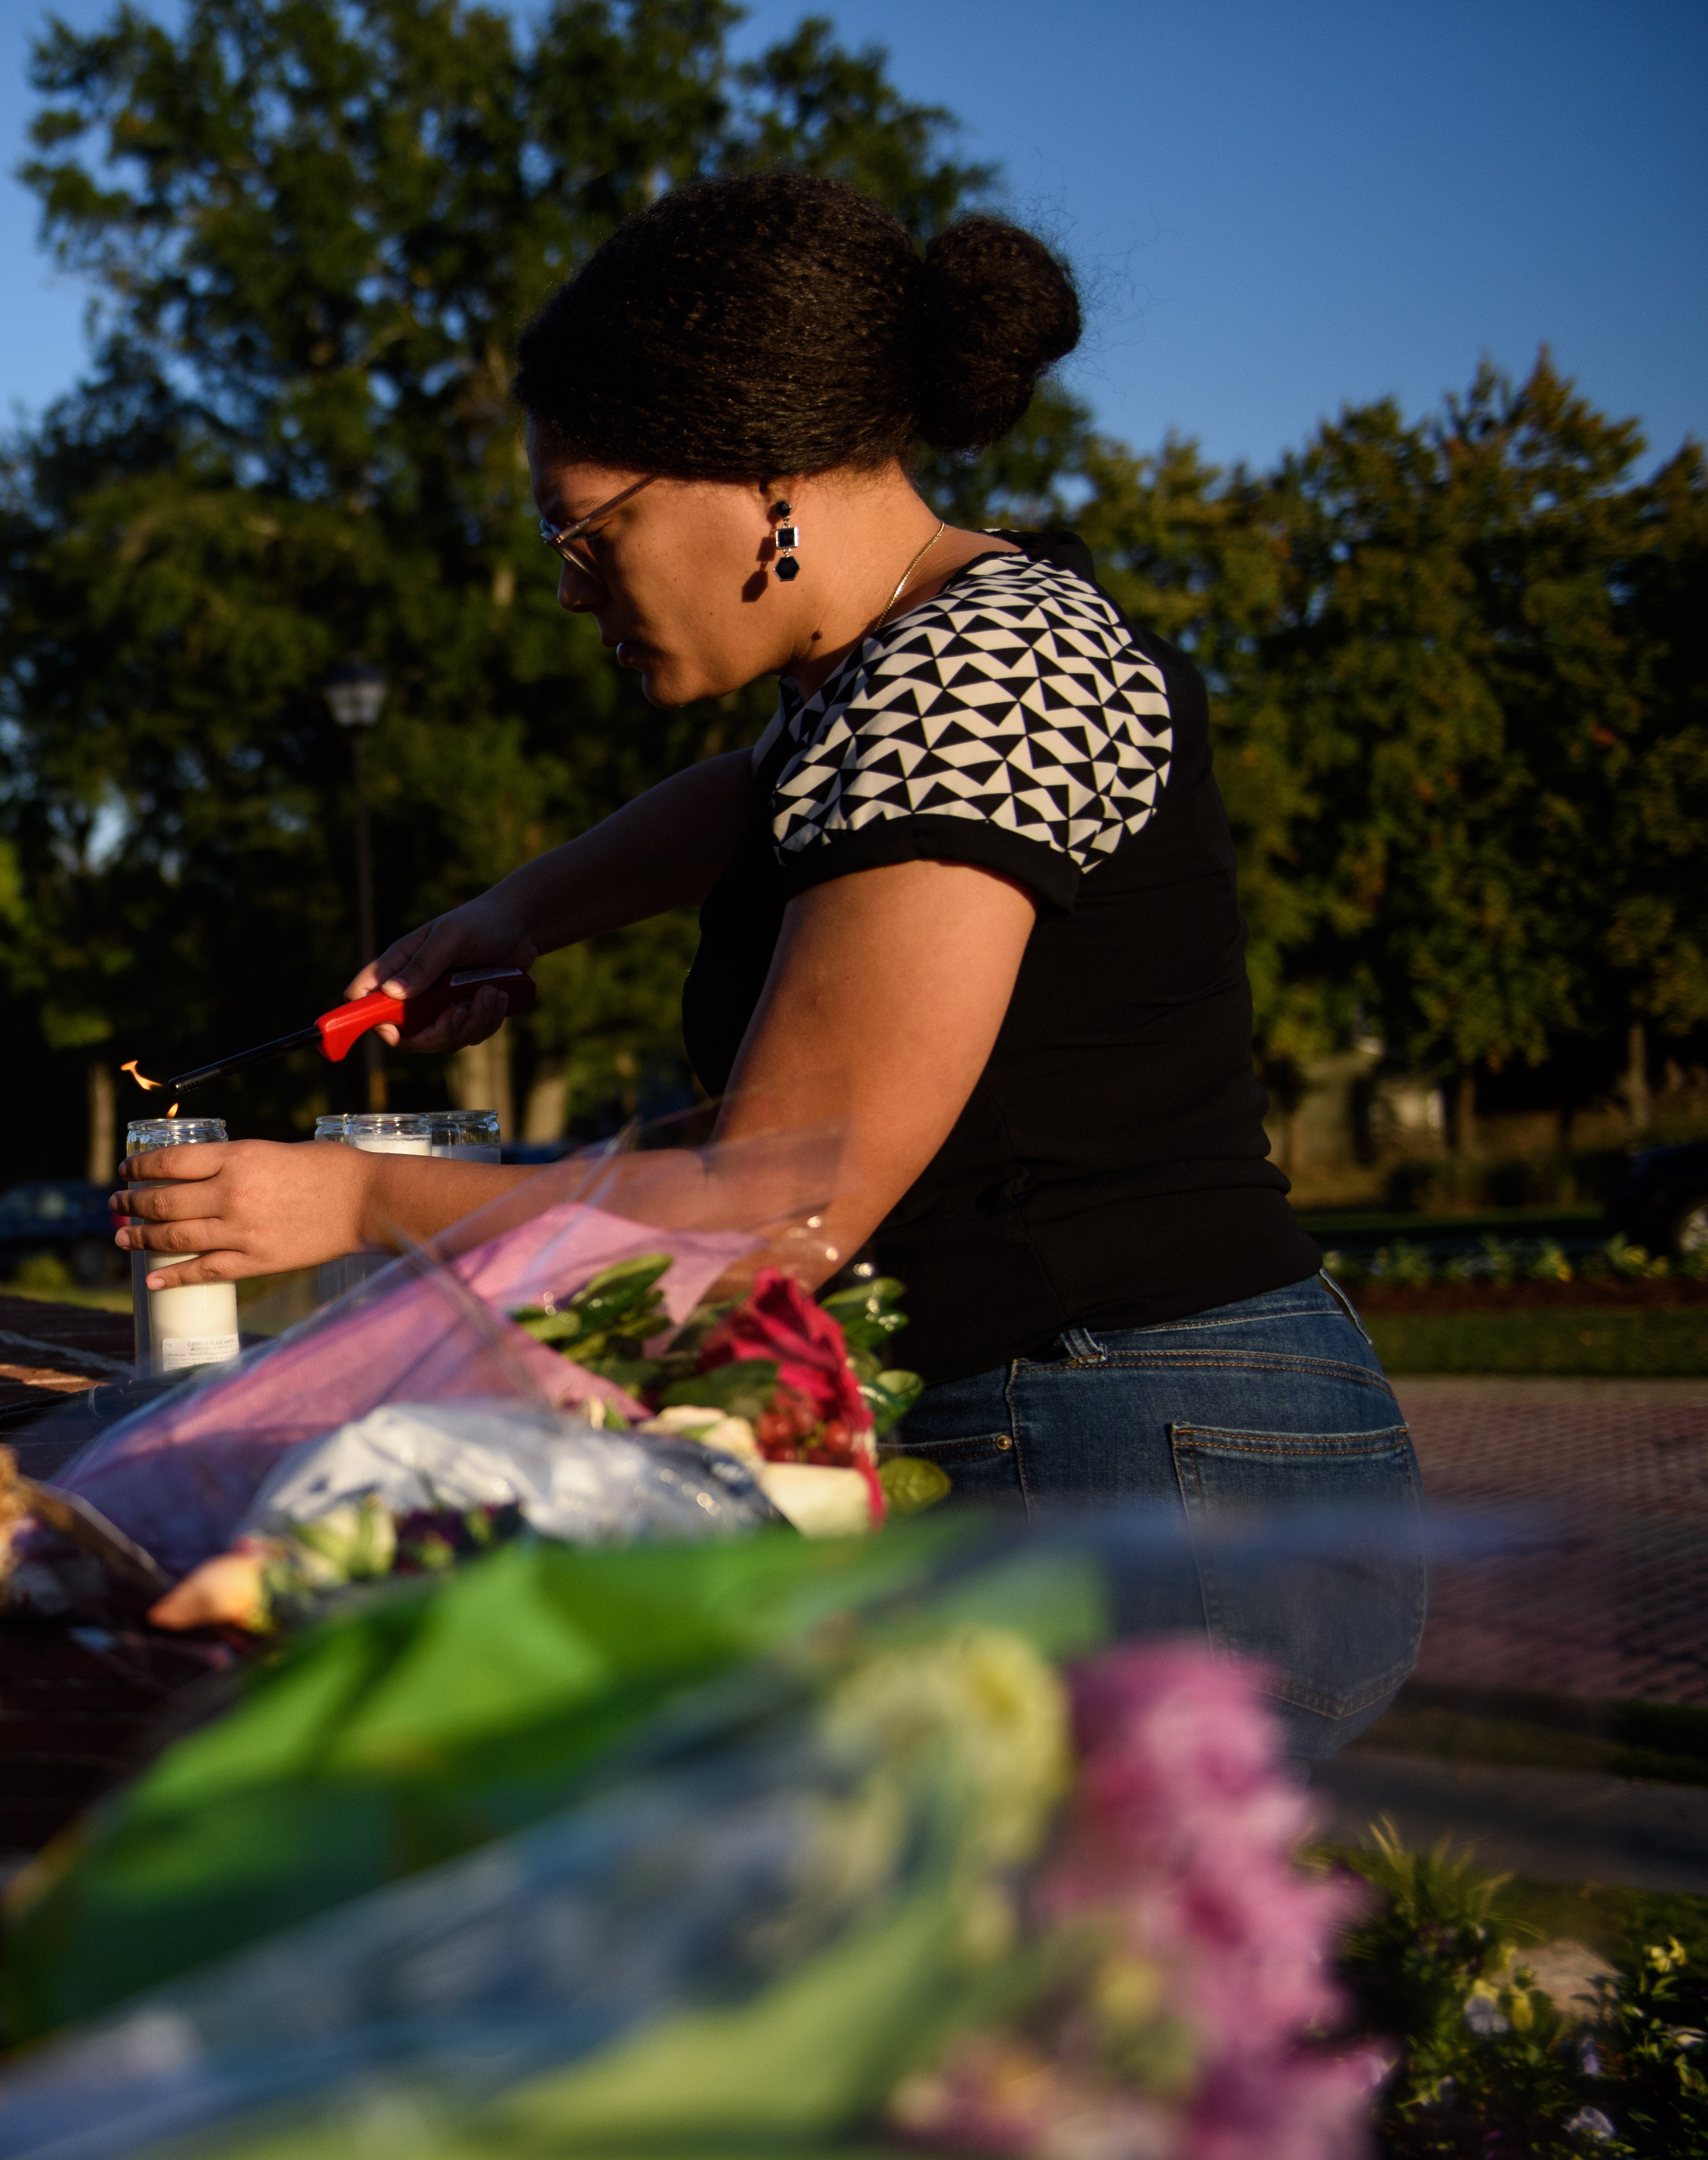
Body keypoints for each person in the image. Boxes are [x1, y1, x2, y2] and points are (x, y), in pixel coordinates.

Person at [108, 173, 1424, 1759]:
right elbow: (756, 792)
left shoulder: (982, 671)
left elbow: (771, 1215)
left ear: (761, 476)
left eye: (590, 529)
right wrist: (517, 912)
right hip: (1103, 1427)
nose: (567, 581)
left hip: (1133, 1449)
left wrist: (357, 1204)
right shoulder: (894, 671)